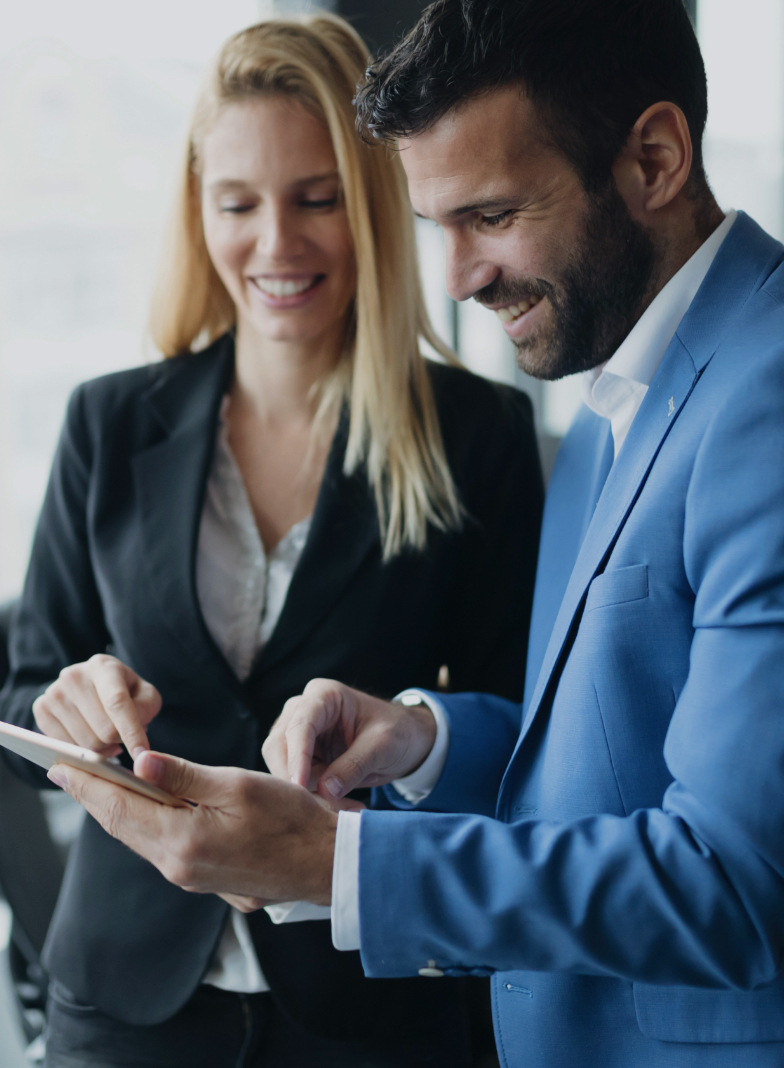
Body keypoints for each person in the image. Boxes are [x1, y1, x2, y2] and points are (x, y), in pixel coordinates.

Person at [41, 0, 784, 1065]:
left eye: (489, 215)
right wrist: (428, 740)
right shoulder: (606, 408)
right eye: (439, 225)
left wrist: (335, 865)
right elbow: (582, 764)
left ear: (656, 158)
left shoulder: (759, 400)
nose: (458, 278)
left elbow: (733, 881)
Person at [0, 13, 544, 1068]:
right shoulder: (109, 423)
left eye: (317, 198)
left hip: (371, 1002)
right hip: (126, 1000)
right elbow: (24, 695)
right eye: (238, 203)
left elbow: (516, 743)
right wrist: (63, 706)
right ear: (198, 209)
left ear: (373, 204)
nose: (276, 244)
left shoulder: (476, 436)